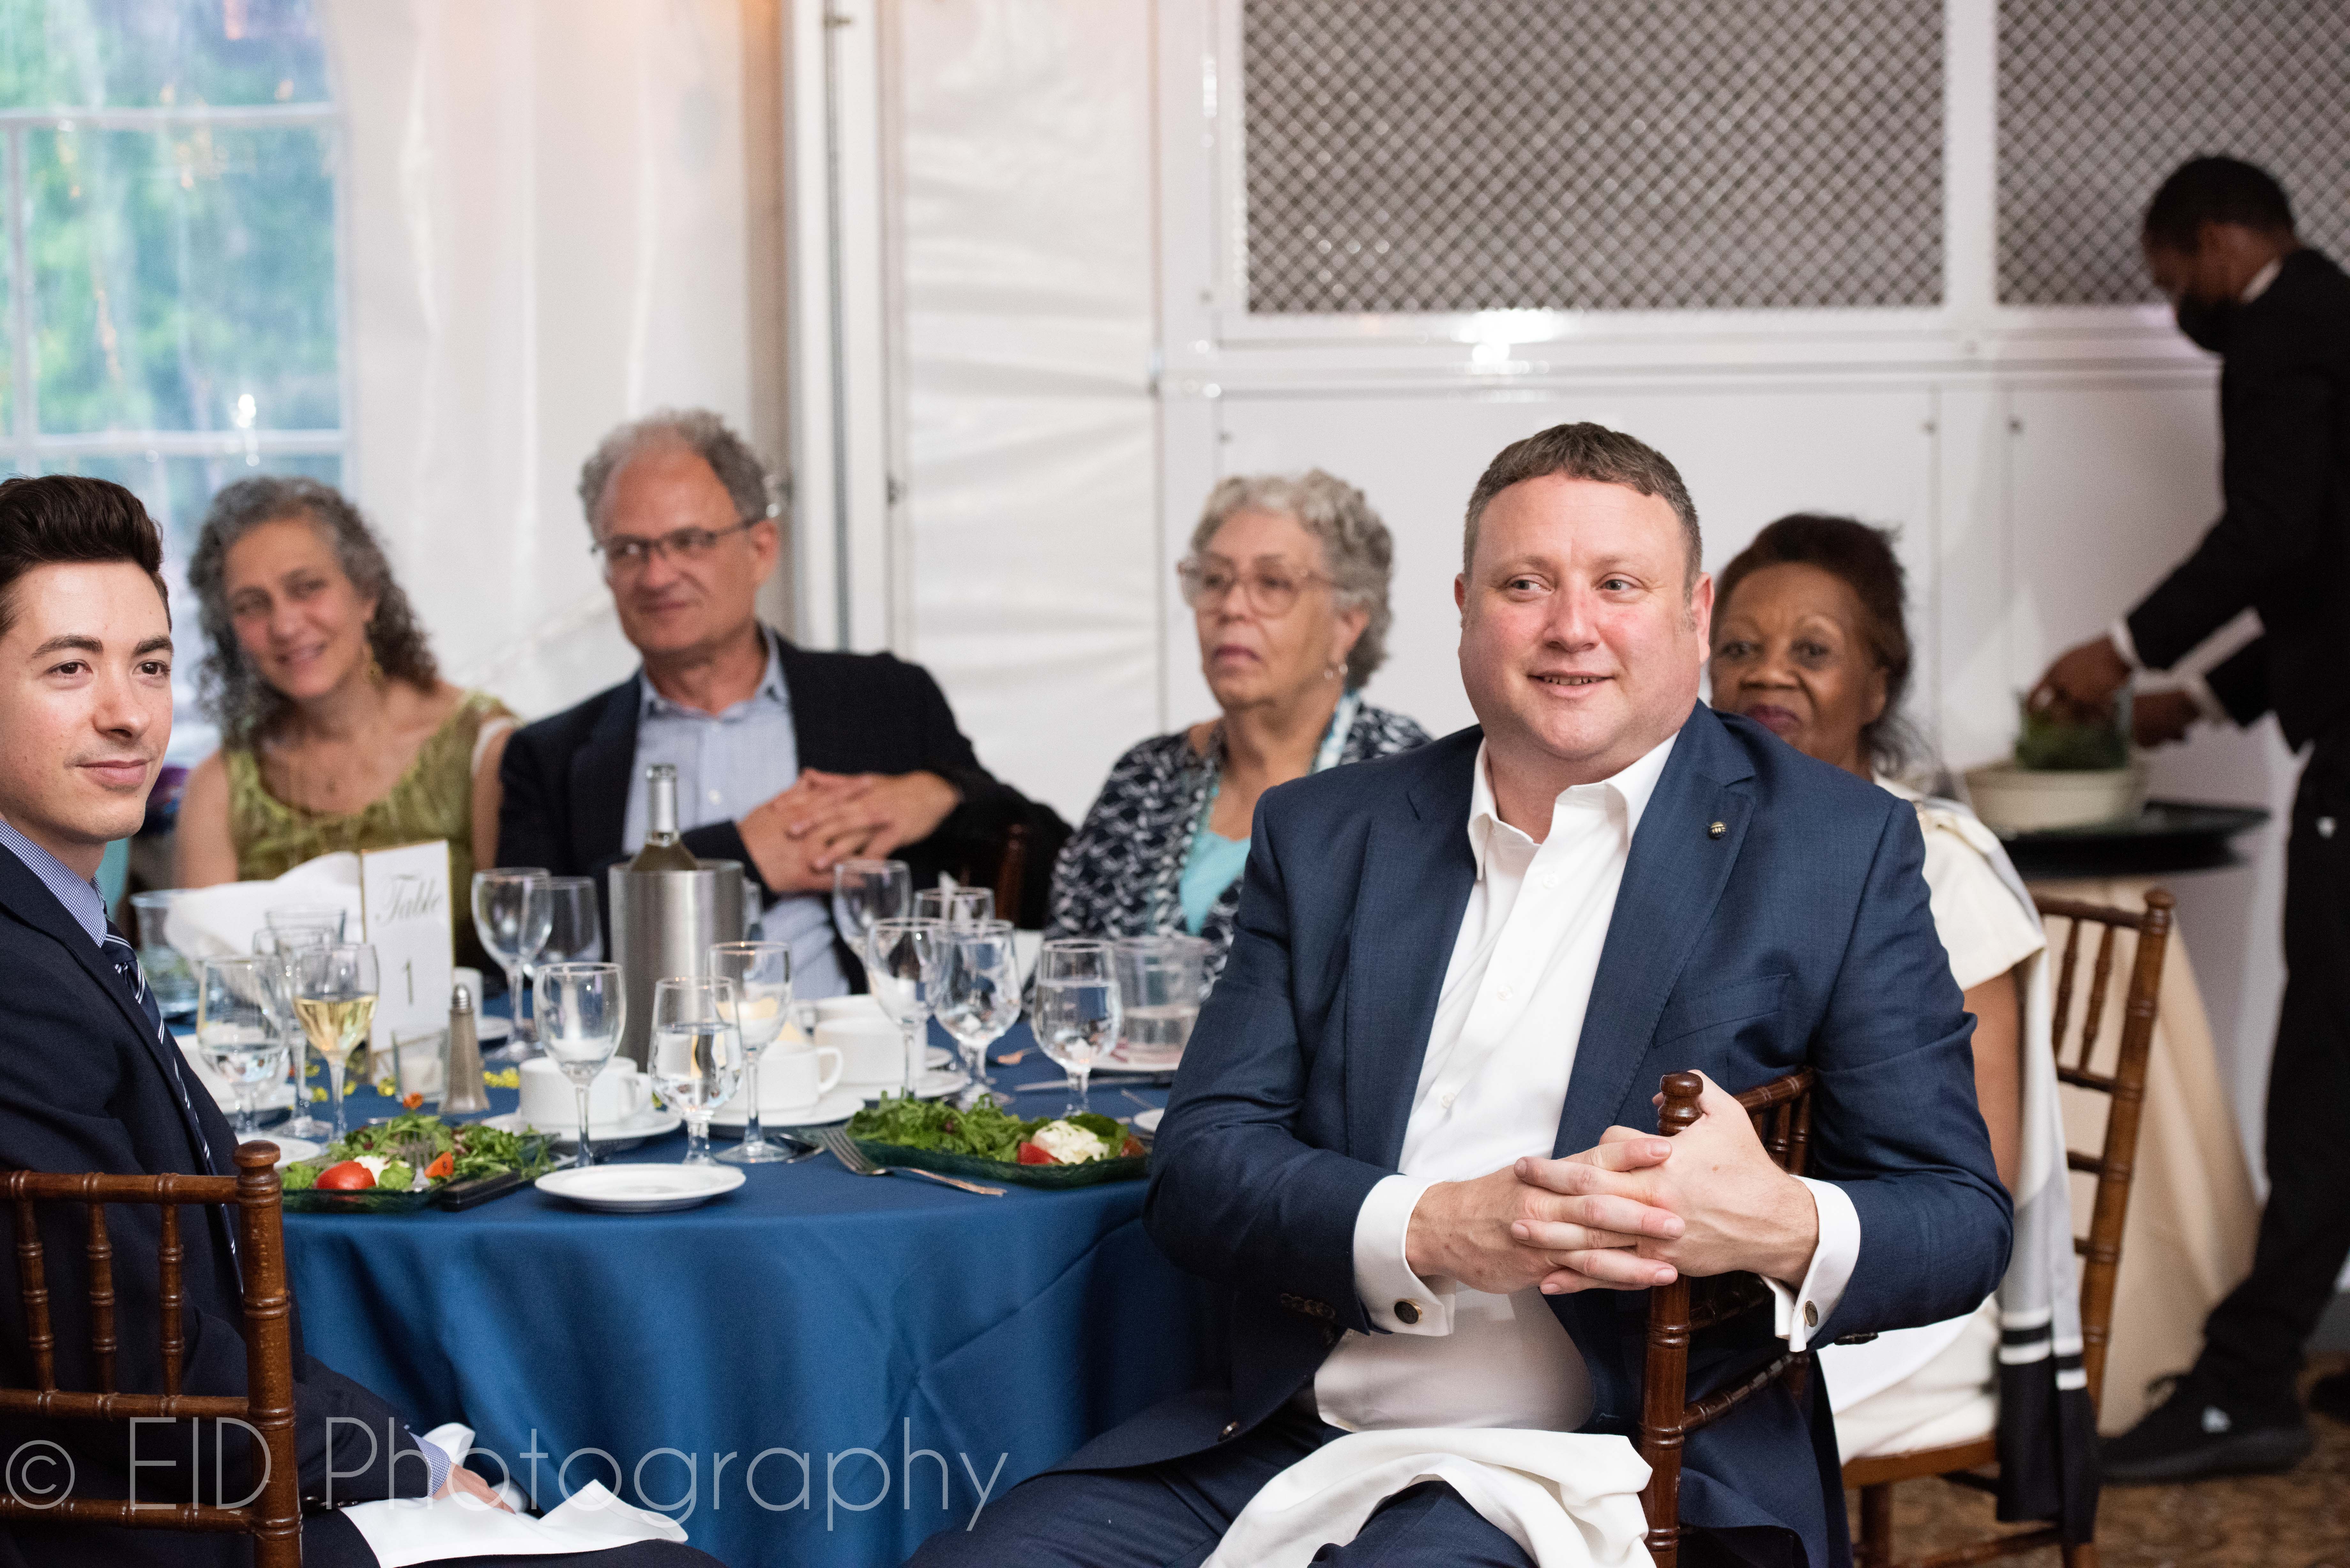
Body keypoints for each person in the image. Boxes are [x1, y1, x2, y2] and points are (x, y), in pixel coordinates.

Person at [908, 424, 2012, 1568]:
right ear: (1465, 609)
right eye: (1525, 584)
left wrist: (1774, 1221)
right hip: (1290, 1434)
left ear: (1694, 613)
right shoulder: (1330, 834)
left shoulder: (1833, 849)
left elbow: (1961, 1221)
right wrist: (1431, 1229)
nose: (1571, 626)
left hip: (1609, 1463)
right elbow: (1201, 1167)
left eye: (1618, 585)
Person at [0, 475, 722, 1568]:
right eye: (69, 668)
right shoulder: (20, 981)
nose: (129, 712)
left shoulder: (59, 928)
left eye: (148, 665)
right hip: (152, 1531)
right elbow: (146, 1376)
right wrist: (408, 1471)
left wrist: (408, 1458)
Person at [2034, 156, 2350, 1480]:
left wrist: (2118, 649)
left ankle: (2246, 1385)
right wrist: (2203, 696)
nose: (2178, 310)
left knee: (2325, 1072)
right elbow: (2331, 565)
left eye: (2173, 283)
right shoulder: (2340, 319)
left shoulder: (2283, 331)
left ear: (2221, 242)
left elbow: (2268, 533)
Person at [1711, 514, 2095, 1538]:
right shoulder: (1695, 846)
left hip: (1897, 1289)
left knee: (1656, 1410)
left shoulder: (1938, 865)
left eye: (1812, 651)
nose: (1767, 673)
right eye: (1739, 647)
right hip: (1723, 1267)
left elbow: (1979, 1179)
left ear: (1877, 687)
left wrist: (1771, 1219)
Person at [497, 409, 1065, 998]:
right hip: (645, 1053)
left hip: (859, 1048)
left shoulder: (885, 701)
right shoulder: (550, 755)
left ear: (761, 549)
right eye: (628, 550)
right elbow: (522, 946)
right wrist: (738, 858)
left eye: (688, 542)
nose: (657, 575)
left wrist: (947, 796)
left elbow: (1060, 887)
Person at [1046, 471, 1429, 985]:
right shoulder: (1145, 777)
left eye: (1273, 583)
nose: (1230, 608)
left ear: (1348, 623)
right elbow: (1057, 987)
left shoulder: (1405, 784)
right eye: (1214, 580)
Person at [173, 477, 515, 971]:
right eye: (252, 605)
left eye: (307, 588)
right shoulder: (220, 787)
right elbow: (207, 987)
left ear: (367, 593)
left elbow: (519, 959)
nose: (285, 625)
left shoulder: (483, 748)